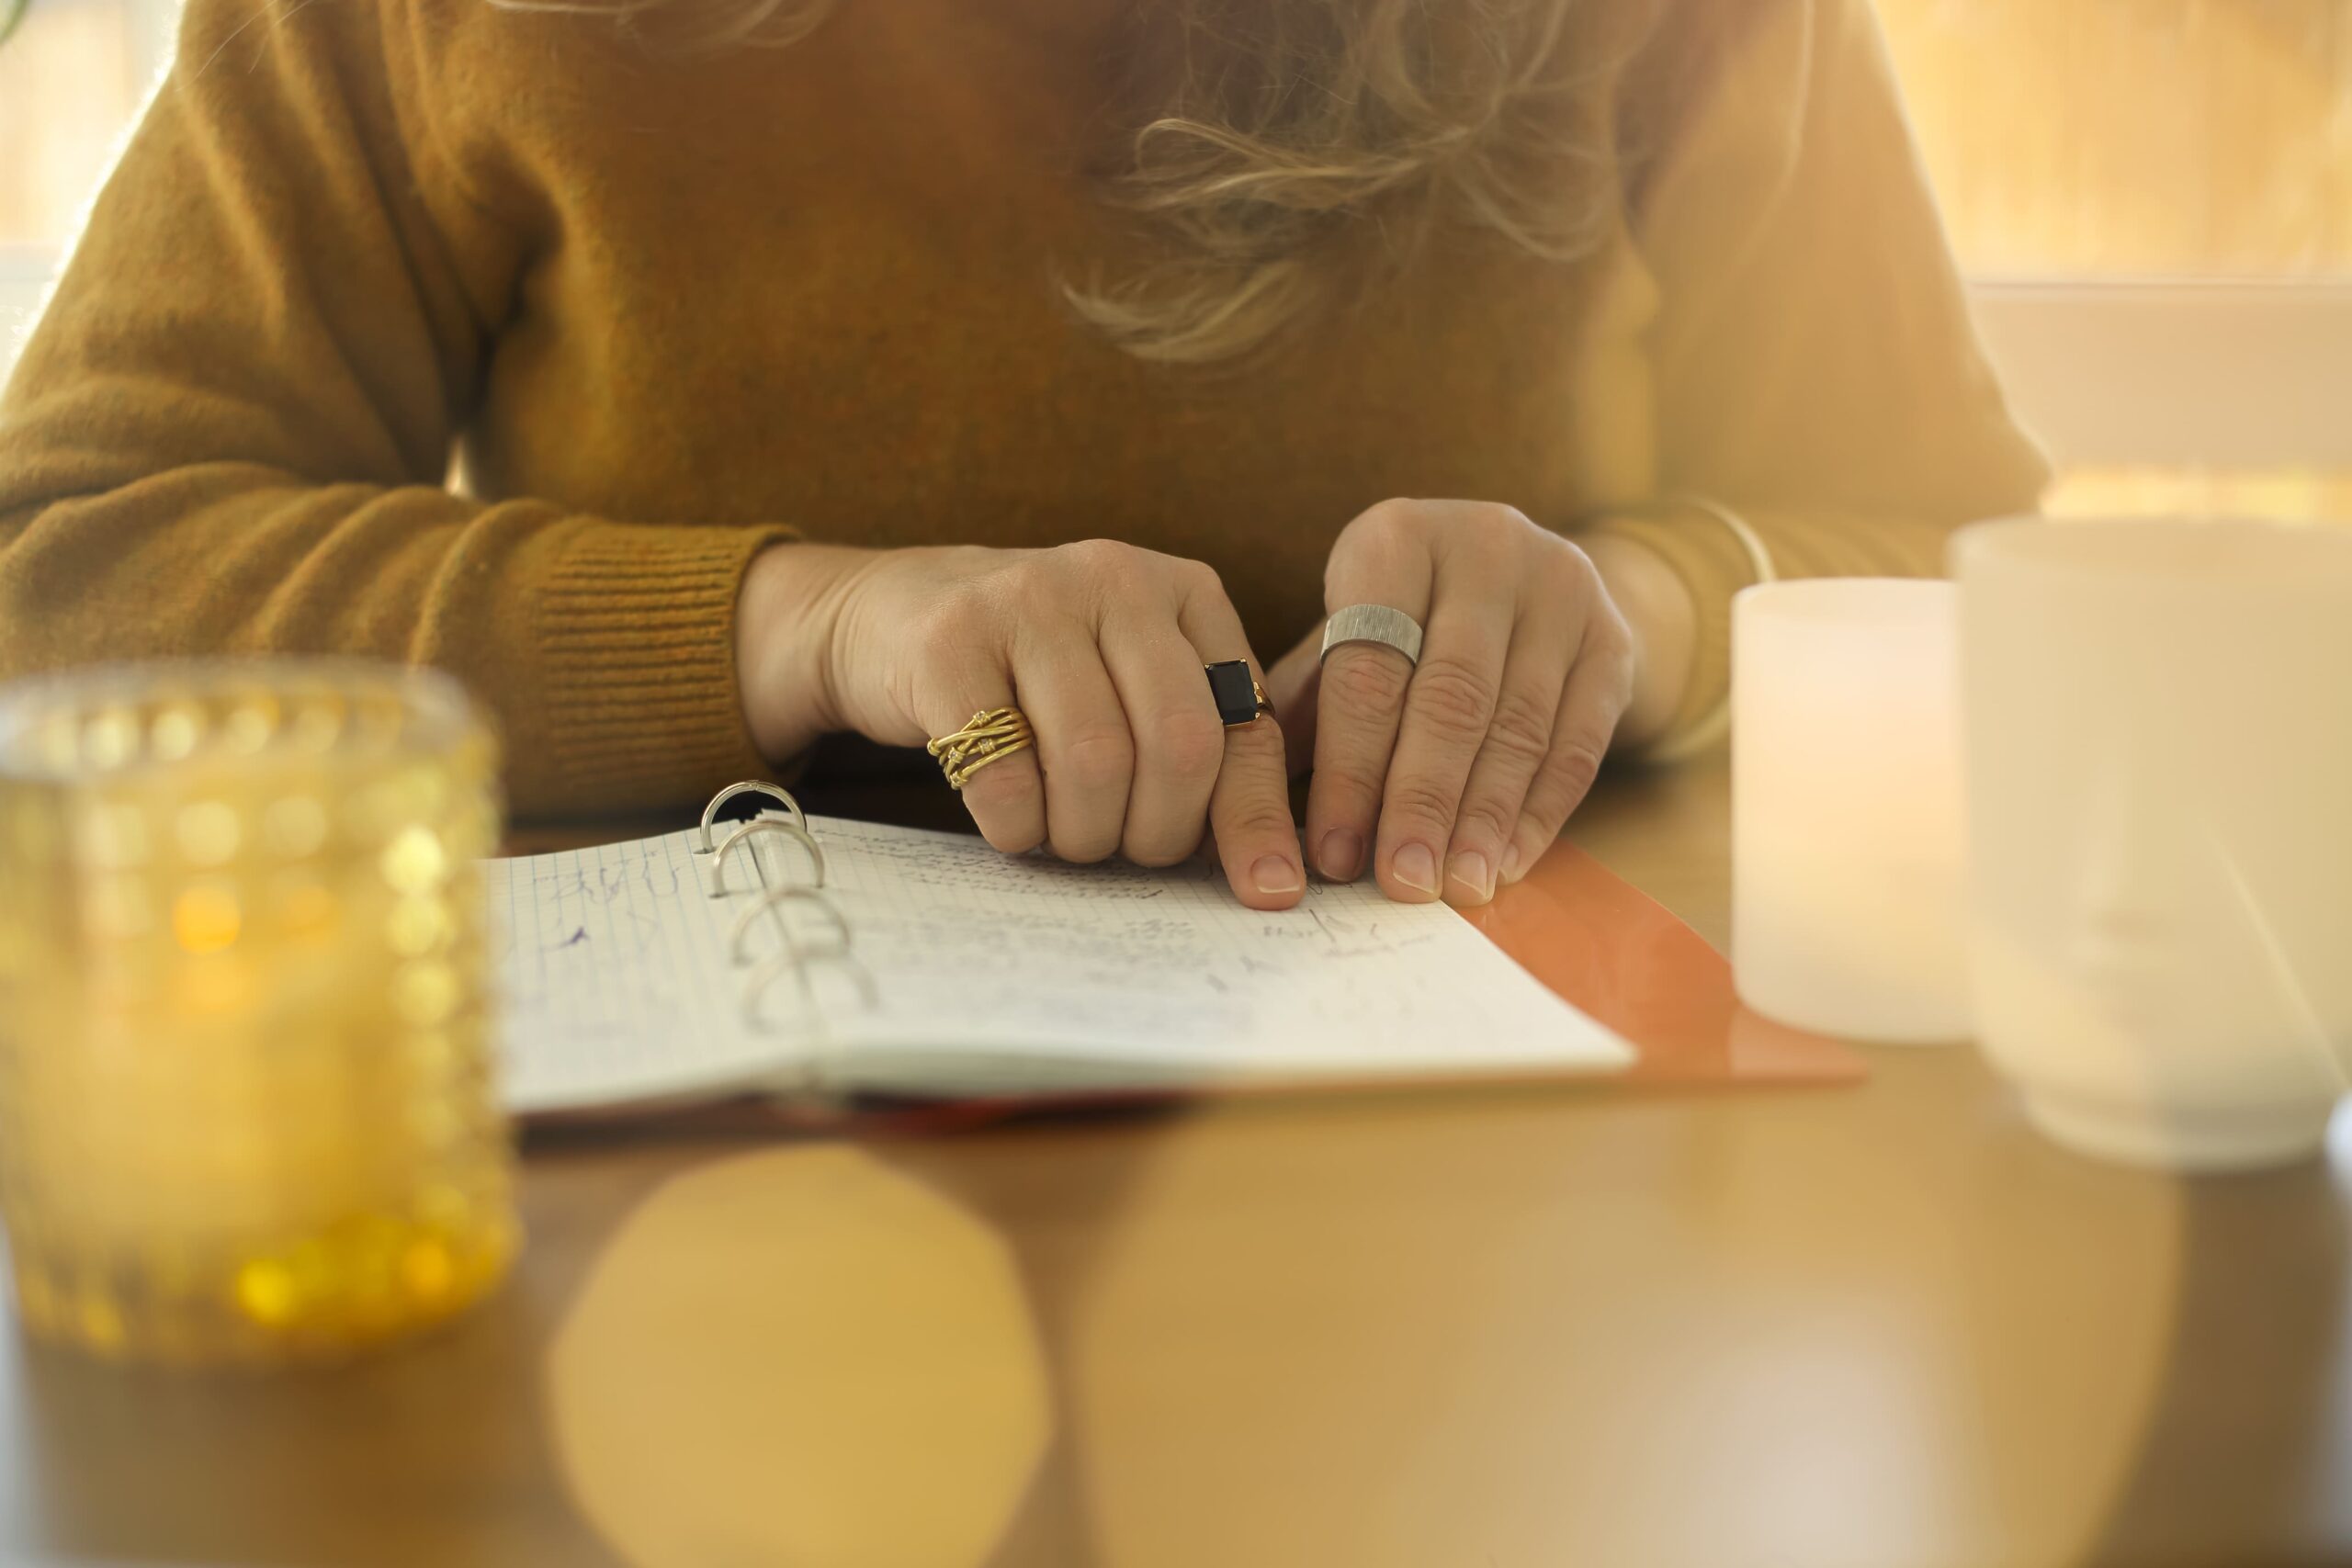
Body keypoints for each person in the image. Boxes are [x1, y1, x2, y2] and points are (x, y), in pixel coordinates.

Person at [0, 0, 2045, 914]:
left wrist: (1653, 608)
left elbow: (1962, 552)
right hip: (669, 1201)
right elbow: (64, 566)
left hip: (1535, 1192)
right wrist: (800, 625)